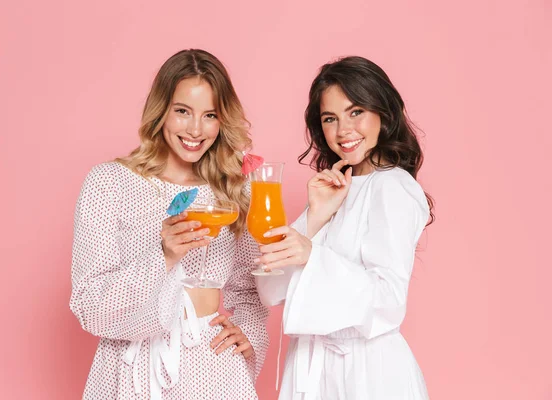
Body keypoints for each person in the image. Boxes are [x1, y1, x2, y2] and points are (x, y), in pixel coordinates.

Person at [70, 49, 269, 399]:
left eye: (210, 115)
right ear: (161, 110)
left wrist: (249, 334)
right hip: (132, 368)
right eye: (182, 112)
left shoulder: (236, 188)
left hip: (214, 366)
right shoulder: (109, 183)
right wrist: (164, 255)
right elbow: (90, 306)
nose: (196, 129)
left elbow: (250, 290)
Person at [255, 56, 434, 399]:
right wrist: (315, 217)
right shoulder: (331, 189)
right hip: (312, 370)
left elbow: (388, 300)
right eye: (330, 119)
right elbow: (271, 291)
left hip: (367, 374)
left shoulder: (393, 186)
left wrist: (312, 256)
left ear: (384, 114)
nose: (343, 131)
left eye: (356, 112)